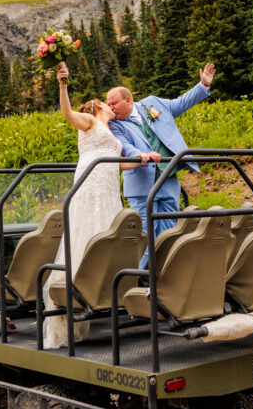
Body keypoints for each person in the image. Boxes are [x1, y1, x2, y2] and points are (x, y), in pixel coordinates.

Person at [42, 64, 158, 348]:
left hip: (109, 192)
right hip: (91, 188)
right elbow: (67, 113)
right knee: (85, 237)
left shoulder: (112, 132)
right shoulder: (90, 122)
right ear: (96, 107)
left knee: (108, 238)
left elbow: (122, 164)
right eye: (106, 103)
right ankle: (74, 298)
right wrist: (62, 84)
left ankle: (103, 295)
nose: (110, 106)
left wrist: (143, 157)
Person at [106, 63, 216, 266]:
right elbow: (125, 147)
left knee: (168, 231)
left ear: (128, 100)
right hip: (141, 185)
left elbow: (180, 103)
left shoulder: (151, 103)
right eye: (108, 104)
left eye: (113, 103)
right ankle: (139, 278)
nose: (110, 108)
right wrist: (141, 154)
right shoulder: (114, 124)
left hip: (168, 178)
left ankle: (165, 276)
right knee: (144, 235)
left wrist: (202, 86)